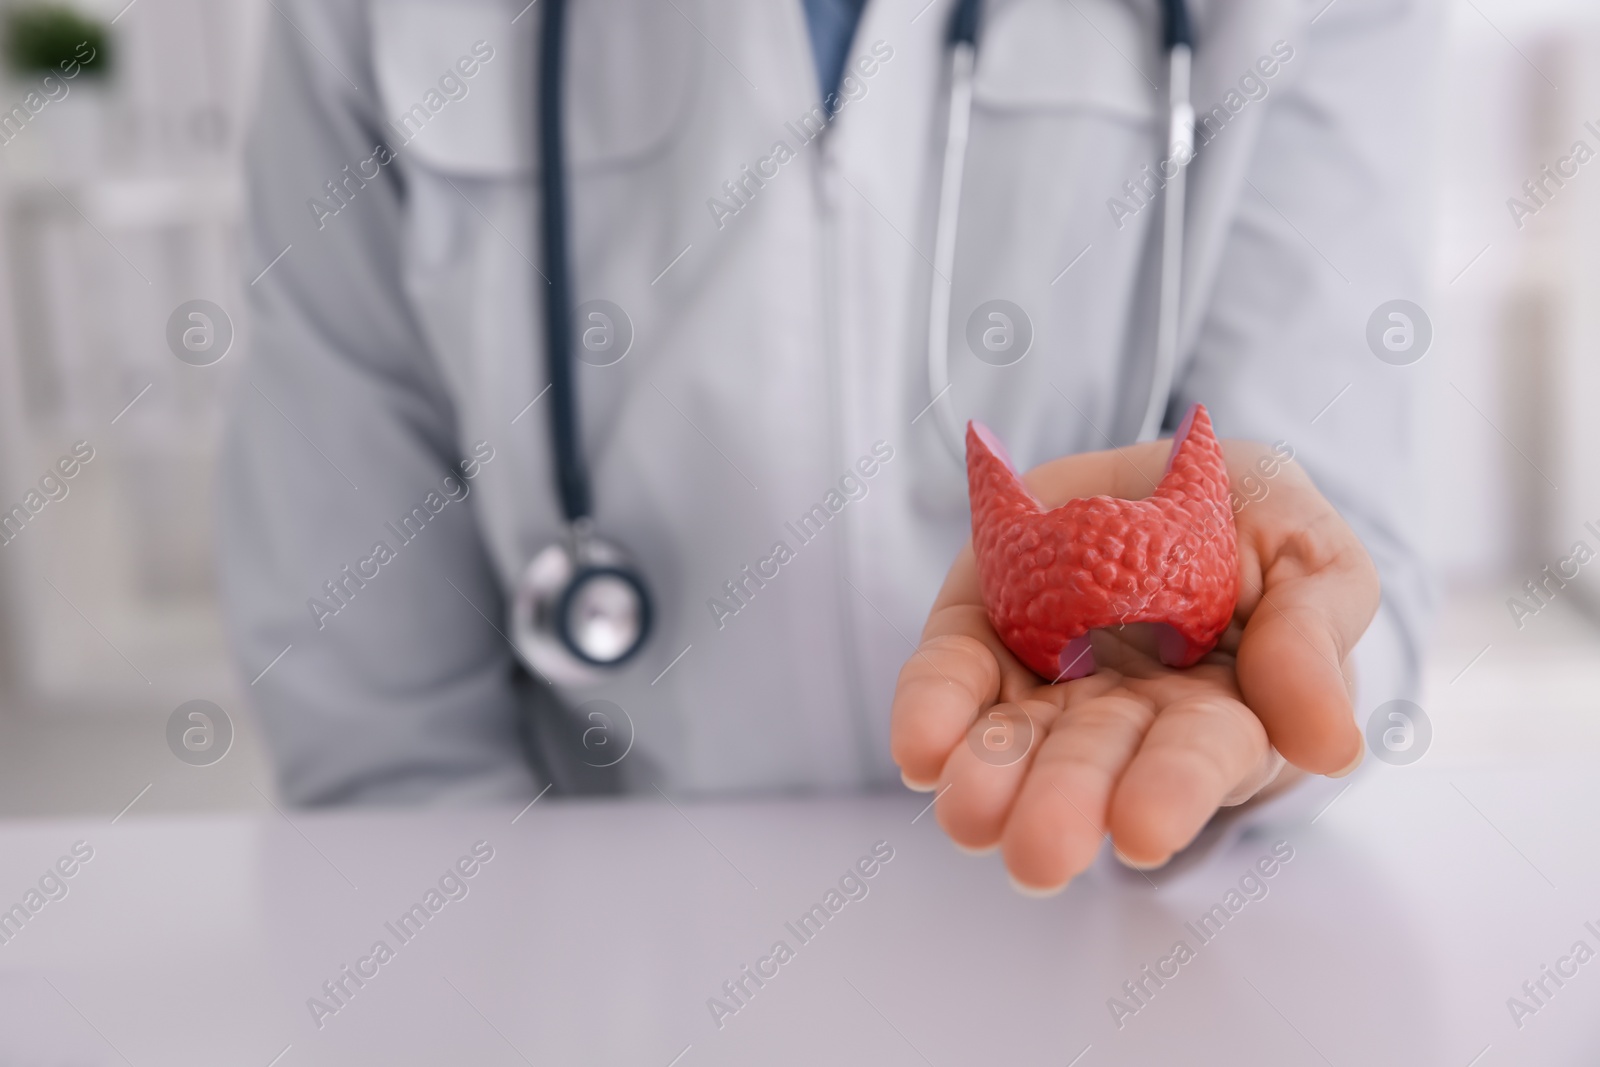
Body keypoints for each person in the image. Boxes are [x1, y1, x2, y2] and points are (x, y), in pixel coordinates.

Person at [220, 0, 1436, 893]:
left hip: (1122, 948)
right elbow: (373, 712)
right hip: (600, 966)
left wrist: (1268, 682)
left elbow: (1334, 549)